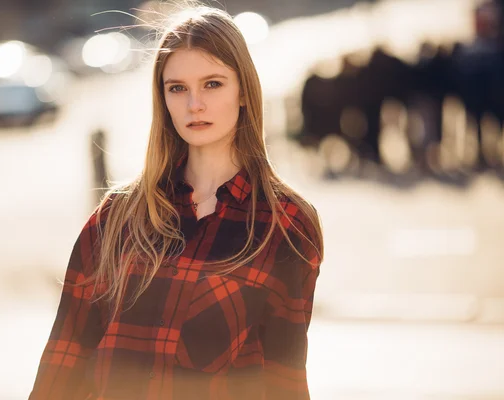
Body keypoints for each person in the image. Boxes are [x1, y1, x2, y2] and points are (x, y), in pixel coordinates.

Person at [29, 5, 324, 400]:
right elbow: (62, 365)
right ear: (163, 98)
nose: (194, 105)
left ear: (243, 92)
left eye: (213, 84)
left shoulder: (285, 223)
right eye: (177, 87)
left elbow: (284, 381)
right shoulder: (115, 219)